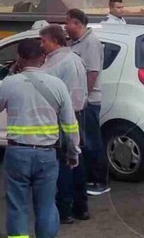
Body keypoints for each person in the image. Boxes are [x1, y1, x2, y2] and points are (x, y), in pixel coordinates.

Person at [0, 39, 81, 238]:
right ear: (44, 58)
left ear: (19, 59)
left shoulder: (11, 82)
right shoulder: (57, 85)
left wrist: (11, 74)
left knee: (17, 206)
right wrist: (73, 153)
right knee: (46, 205)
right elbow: (70, 124)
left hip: (17, 153)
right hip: (47, 155)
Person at [39, 24, 90, 223]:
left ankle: (65, 210)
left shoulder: (54, 64)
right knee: (78, 161)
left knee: (64, 164)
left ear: (54, 41)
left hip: (62, 118)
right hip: (79, 114)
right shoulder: (75, 58)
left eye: (43, 41)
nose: (41, 45)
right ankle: (81, 207)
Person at [66, 8, 111, 196]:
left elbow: (92, 73)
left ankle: (100, 181)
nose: (65, 26)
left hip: (88, 102)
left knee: (92, 142)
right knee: (84, 142)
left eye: (67, 22)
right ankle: (89, 179)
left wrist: (83, 98)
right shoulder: (75, 43)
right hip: (80, 101)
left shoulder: (91, 43)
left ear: (76, 23)